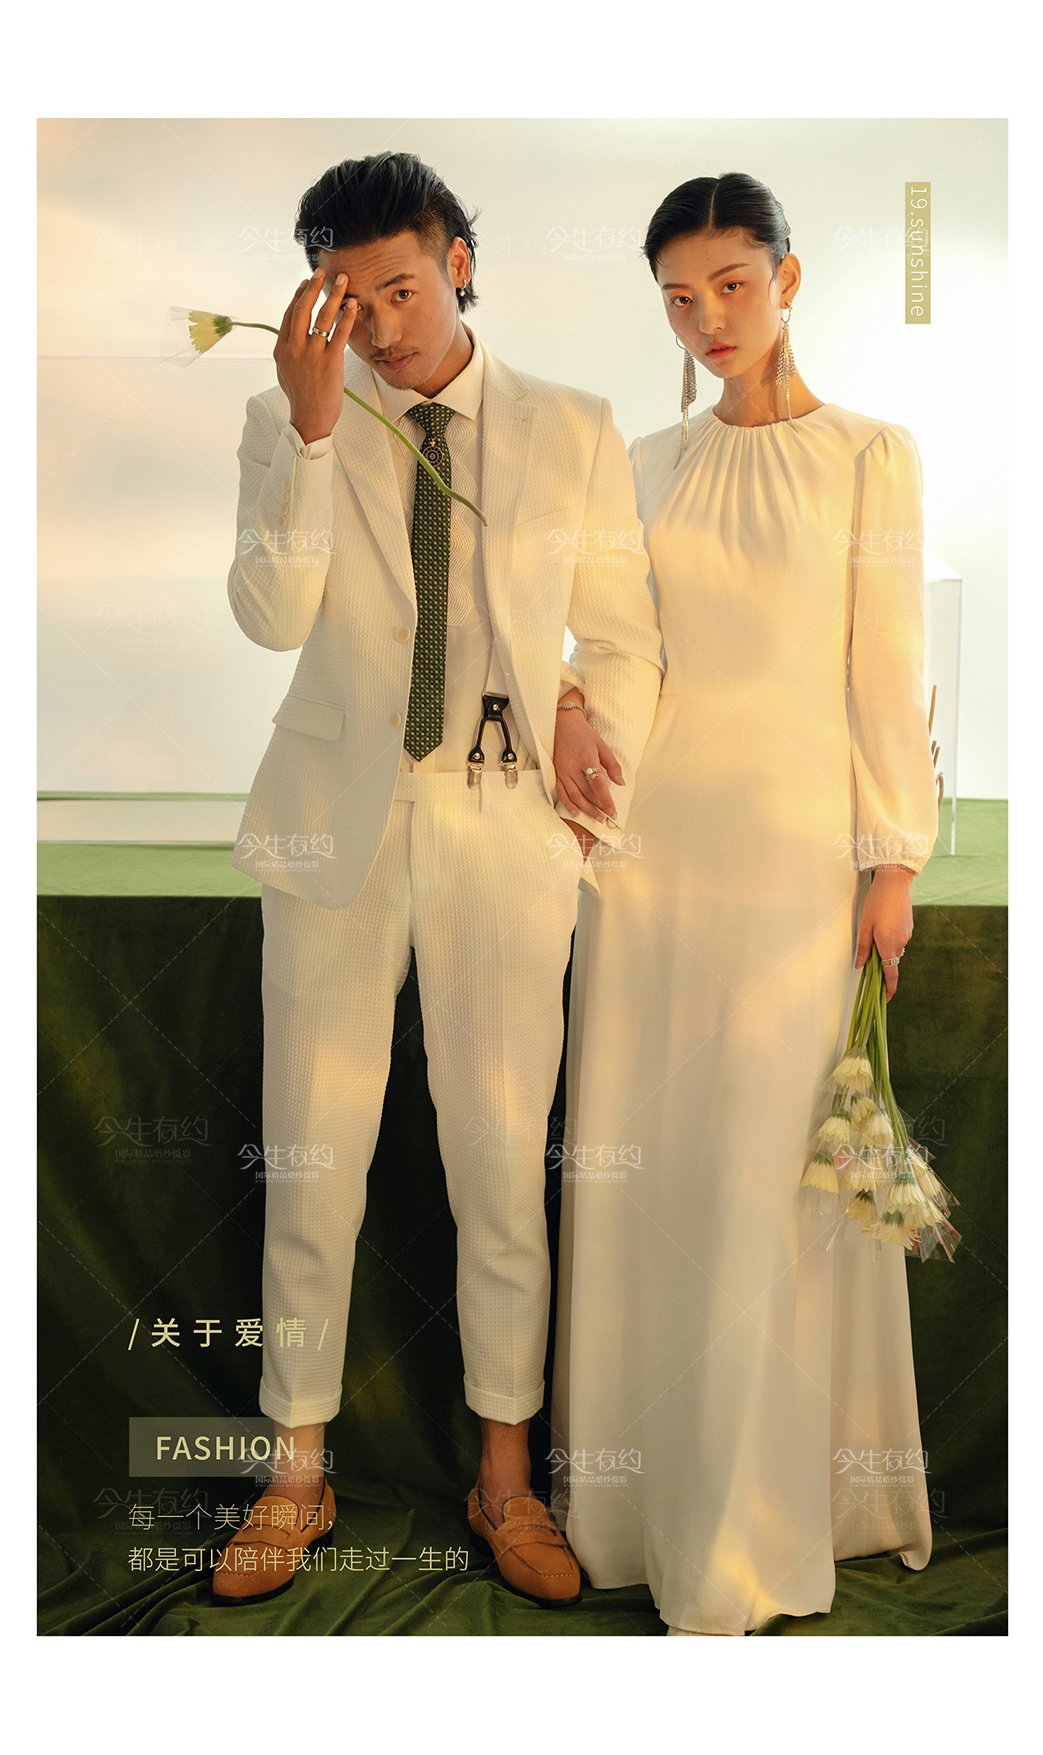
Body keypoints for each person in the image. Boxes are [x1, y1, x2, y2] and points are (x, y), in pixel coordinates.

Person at [213, 152, 663, 1607]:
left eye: (401, 290)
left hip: (505, 828)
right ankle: (295, 1472)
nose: (381, 327)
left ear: (458, 263)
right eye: (347, 301)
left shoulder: (574, 426)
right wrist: (308, 430)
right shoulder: (287, 417)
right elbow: (270, 615)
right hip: (332, 829)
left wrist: (589, 727)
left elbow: (620, 632)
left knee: (500, 1162)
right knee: (310, 1156)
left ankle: (506, 1478)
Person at [549, 172, 940, 1636]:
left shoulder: (870, 455)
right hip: (647, 863)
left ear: (786, 276)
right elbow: (609, 640)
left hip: (792, 864)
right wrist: (571, 706)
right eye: (677, 297)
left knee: (764, 1179)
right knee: (652, 1171)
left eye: (730, 284)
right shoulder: (641, 462)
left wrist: (892, 862)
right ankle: (641, 1512)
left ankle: (759, 1525)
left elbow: (885, 664)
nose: (706, 318)